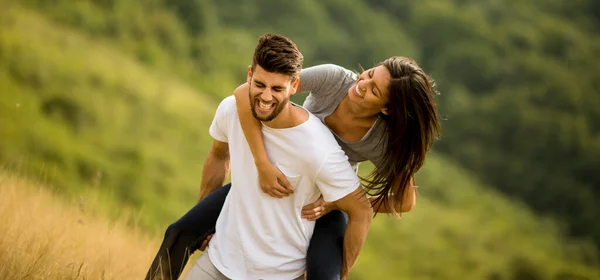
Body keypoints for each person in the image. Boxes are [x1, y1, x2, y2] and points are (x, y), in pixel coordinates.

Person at [146, 46, 441, 280]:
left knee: (325, 277)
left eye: (373, 90)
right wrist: (262, 165)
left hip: (323, 204)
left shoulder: (382, 141)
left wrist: (336, 203)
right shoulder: (334, 79)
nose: (361, 84)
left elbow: (404, 202)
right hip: (276, 175)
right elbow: (245, 93)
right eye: (369, 74)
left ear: (387, 109)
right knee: (179, 233)